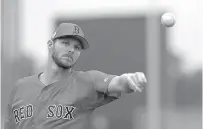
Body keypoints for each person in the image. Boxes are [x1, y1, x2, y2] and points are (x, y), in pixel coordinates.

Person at [4, 23, 147, 129]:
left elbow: (117, 83)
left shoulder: (87, 81)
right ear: (50, 45)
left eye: (77, 47)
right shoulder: (20, 87)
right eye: (65, 43)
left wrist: (129, 79)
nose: (71, 50)